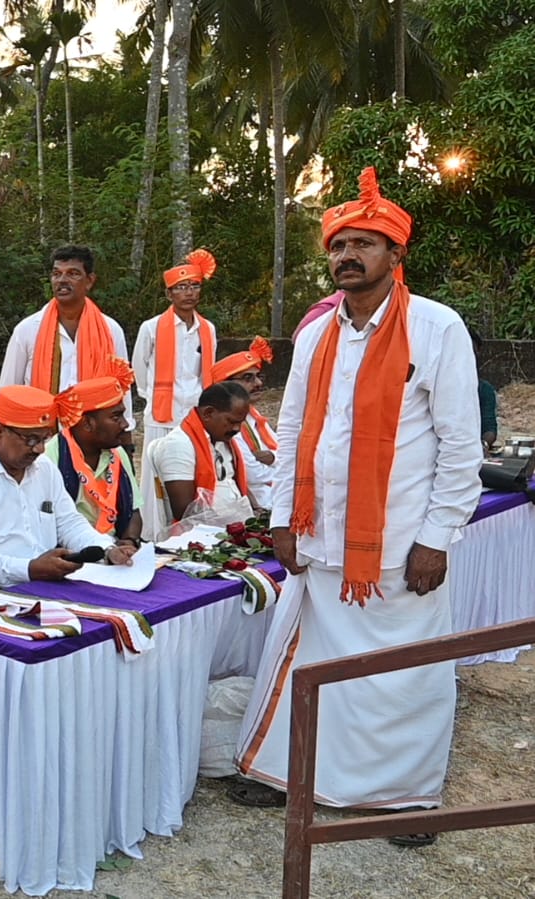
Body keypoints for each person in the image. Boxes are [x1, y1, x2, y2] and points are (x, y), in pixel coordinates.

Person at [233, 168, 482, 849]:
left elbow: (462, 445)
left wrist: (437, 536)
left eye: (364, 244)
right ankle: (294, 774)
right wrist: (281, 516)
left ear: (395, 254)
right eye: (339, 245)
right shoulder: (316, 334)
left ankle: (406, 798)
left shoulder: (436, 327)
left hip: (399, 545)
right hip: (321, 537)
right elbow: (290, 431)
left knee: (404, 673)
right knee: (309, 662)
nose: (348, 255)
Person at [0, 385, 135, 588]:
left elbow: (69, 523)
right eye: (31, 440)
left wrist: (107, 549)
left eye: (44, 438)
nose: (40, 449)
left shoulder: (43, 466)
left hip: (47, 582)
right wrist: (29, 569)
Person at [0, 245, 132, 424]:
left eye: (73, 274)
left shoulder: (110, 330)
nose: (62, 280)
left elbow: (121, 388)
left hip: (92, 432)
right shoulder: (28, 329)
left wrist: (125, 429)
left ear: (90, 281)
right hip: (40, 433)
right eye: (56, 274)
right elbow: (8, 389)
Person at [133, 249, 219, 519]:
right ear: (169, 294)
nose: (189, 293)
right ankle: (152, 529)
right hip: (161, 412)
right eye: (181, 287)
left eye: (194, 286)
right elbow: (139, 367)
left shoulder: (207, 329)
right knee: (155, 476)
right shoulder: (151, 327)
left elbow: (208, 370)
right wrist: (152, 396)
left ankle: (189, 525)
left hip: (194, 410)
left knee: (190, 469)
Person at [44, 358, 144, 545]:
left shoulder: (117, 453)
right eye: (116, 417)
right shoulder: (50, 458)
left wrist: (129, 542)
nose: (125, 424)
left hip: (115, 550)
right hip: (71, 552)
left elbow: (134, 511)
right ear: (87, 423)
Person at [142, 380, 254, 539]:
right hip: (202, 537)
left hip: (236, 529)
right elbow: (185, 513)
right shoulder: (178, 445)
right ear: (208, 413)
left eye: (240, 423)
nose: (237, 429)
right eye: (231, 421)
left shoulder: (223, 439)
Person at [210, 337, 277, 507]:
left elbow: (286, 452)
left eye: (259, 376)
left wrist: (273, 458)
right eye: (248, 378)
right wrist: (289, 472)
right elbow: (253, 474)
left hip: (276, 492)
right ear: (225, 385)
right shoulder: (226, 422)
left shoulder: (254, 416)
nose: (258, 383)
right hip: (261, 503)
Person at [470, 328, 498, 451]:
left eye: (473, 352)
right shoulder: (433, 387)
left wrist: (483, 445)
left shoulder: (484, 389)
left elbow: (490, 429)